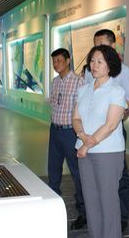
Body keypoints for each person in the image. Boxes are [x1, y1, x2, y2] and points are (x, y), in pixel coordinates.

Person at [73, 45, 127, 238]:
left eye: (99, 62)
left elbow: (110, 125)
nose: (94, 65)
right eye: (92, 61)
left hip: (107, 153)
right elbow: (76, 118)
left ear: (110, 65)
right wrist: (82, 136)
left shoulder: (116, 91)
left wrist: (87, 144)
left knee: (108, 200)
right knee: (91, 200)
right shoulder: (83, 90)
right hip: (84, 151)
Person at [83, 29, 129, 231]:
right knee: (91, 186)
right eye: (95, 45)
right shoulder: (89, 71)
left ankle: (121, 217)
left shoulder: (124, 72)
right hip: (89, 133)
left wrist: (113, 120)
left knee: (118, 179)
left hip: (111, 133)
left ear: (113, 46)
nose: (98, 49)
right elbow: (85, 99)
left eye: (102, 45)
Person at [47, 48, 86, 230]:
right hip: (55, 131)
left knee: (77, 173)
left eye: (59, 61)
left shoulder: (79, 81)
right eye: (54, 61)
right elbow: (54, 104)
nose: (56, 64)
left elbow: (83, 109)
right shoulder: (55, 82)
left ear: (68, 60)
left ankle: (83, 211)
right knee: (53, 171)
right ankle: (52, 206)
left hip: (71, 133)